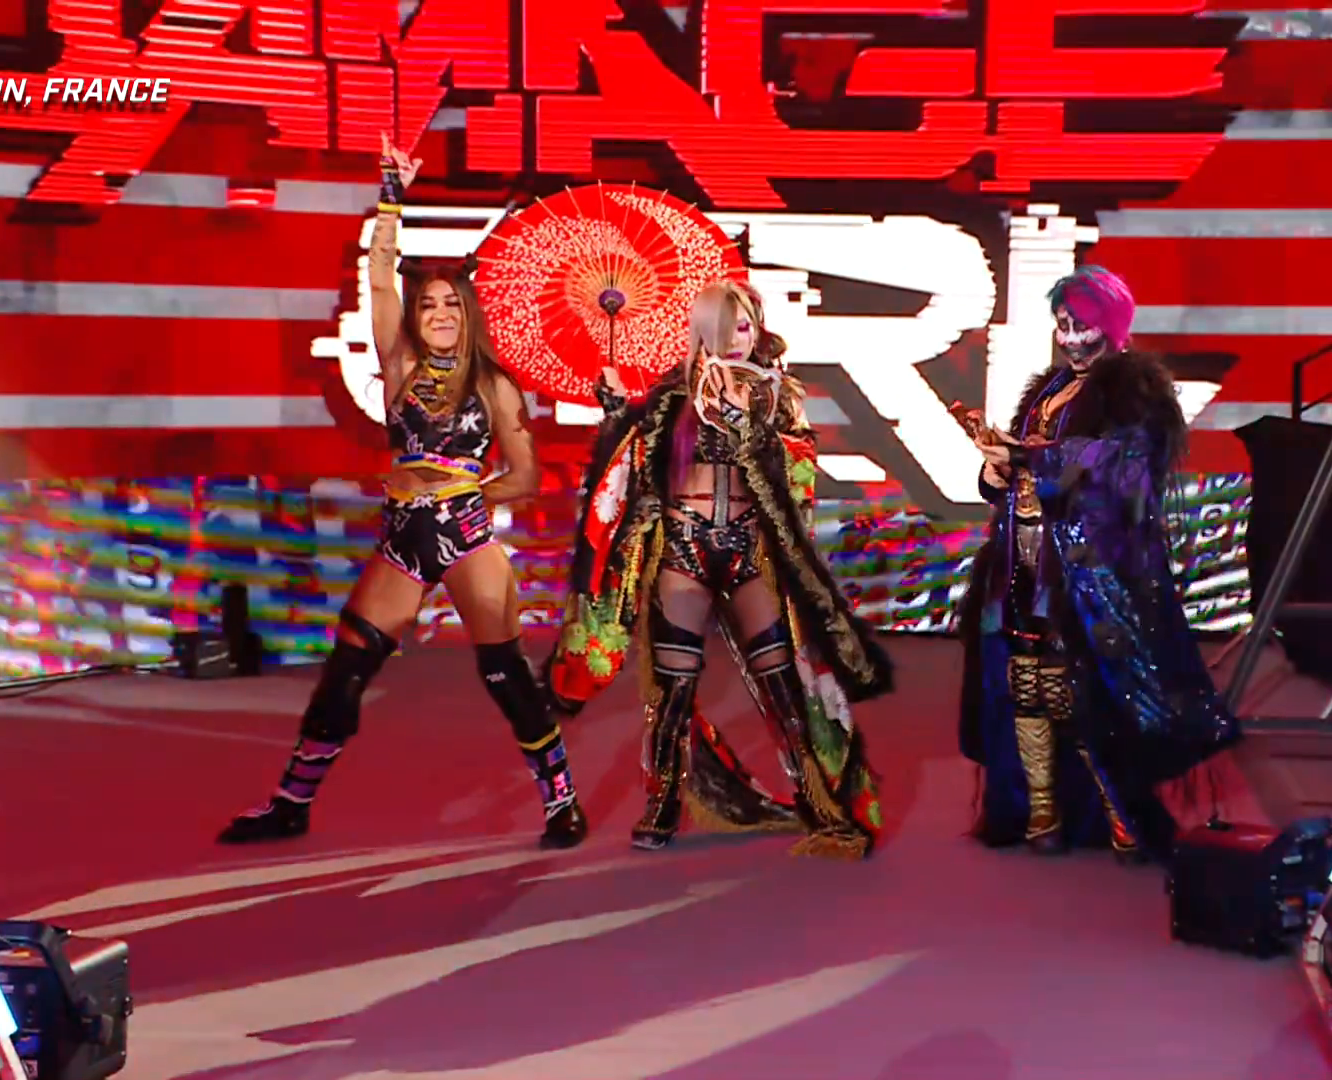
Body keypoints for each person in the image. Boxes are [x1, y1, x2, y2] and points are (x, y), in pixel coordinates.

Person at [218, 134, 587, 849]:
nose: (441, 312)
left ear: (468, 313)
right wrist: (391, 196)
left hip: (466, 537)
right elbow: (381, 280)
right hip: (402, 540)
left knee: (505, 673)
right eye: (430, 305)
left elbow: (525, 474)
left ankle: (562, 803)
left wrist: (470, 489)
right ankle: (291, 804)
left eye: (452, 304)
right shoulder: (399, 367)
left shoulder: (494, 385)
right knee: (346, 672)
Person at [545, 281, 892, 859]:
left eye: (746, 325)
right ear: (702, 330)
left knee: (784, 682)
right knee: (674, 687)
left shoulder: (779, 395)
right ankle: (663, 801)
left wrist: (747, 426)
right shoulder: (671, 397)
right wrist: (617, 414)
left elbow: (800, 476)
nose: (737, 338)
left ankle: (820, 801)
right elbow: (634, 468)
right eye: (725, 326)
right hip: (683, 547)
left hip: (750, 549)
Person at [956, 265, 1240, 862]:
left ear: (1110, 326)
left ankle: (1121, 816)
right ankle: (1040, 812)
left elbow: (1121, 470)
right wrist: (997, 470)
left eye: (1082, 325)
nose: (1070, 338)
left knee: (1083, 692)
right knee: (1023, 681)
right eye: (1062, 324)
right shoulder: (1050, 389)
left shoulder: (1135, 391)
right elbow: (1018, 470)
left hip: (1089, 571)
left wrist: (1035, 457)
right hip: (1022, 558)